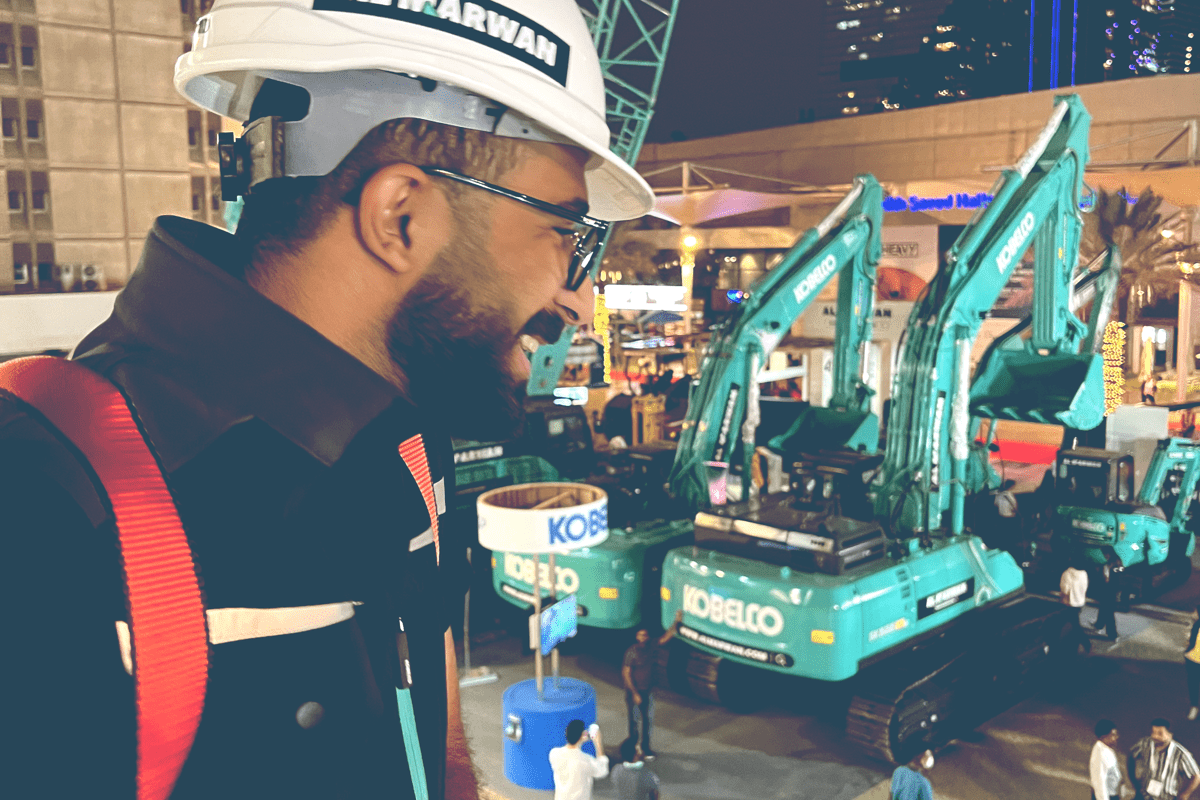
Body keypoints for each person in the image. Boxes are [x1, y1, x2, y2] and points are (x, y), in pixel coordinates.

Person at [3, 0, 654, 797]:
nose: (577, 300)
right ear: (401, 216)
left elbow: (429, 702)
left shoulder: (411, 437)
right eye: (567, 233)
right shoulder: (34, 503)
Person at [623, 609, 684, 758]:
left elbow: (666, 637)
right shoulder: (632, 652)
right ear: (636, 637)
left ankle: (646, 748)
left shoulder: (652, 645)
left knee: (647, 722)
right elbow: (626, 673)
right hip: (635, 693)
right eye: (640, 635)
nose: (643, 638)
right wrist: (634, 693)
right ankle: (632, 750)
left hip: (648, 691)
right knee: (634, 723)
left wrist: (677, 622)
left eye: (645, 635)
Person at [1128, 718, 1200, 800]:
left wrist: (1185, 794)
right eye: (1153, 732)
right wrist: (1133, 780)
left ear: (1170, 735)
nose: (1155, 736)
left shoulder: (1181, 754)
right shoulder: (1145, 743)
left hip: (1167, 797)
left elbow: (1196, 776)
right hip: (1144, 795)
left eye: (1160, 733)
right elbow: (1131, 754)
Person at [549, 720, 610, 800]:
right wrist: (598, 742)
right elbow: (602, 771)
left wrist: (580, 739)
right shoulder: (586, 760)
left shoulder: (554, 753)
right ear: (582, 735)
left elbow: (571, 752)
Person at [1061, 557, 1093, 654]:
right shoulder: (1084, 573)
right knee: (1073, 623)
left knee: (1074, 626)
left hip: (1069, 602)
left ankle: (1086, 643)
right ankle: (1074, 646)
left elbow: (1065, 590)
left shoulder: (1067, 573)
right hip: (1080, 602)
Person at [1091, 719, 1123, 800]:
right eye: (1113, 735)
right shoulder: (1100, 754)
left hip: (1112, 795)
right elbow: (1099, 782)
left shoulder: (1107, 749)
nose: (1116, 738)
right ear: (1103, 737)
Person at [1095, 558, 1121, 642]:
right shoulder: (1104, 565)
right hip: (1105, 591)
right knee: (1104, 609)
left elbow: (1117, 580)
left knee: (1109, 613)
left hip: (1111, 593)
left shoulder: (1116, 567)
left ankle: (1112, 634)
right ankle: (1099, 625)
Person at [1186, 609, 1200, 721]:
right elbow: (1191, 641)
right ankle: (1194, 706)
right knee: (1193, 684)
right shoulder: (1197, 625)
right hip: (1193, 659)